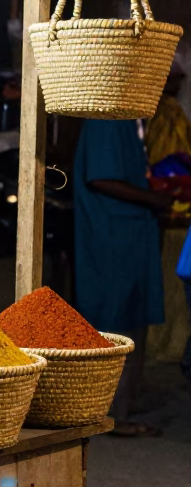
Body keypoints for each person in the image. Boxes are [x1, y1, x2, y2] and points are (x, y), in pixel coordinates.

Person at [73, 118, 172, 436]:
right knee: (116, 324)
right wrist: (152, 199)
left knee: (132, 318)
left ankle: (124, 401)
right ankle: (112, 413)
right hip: (112, 236)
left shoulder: (131, 120)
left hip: (129, 232)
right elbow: (101, 177)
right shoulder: (109, 119)